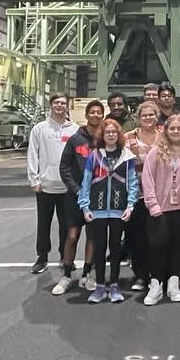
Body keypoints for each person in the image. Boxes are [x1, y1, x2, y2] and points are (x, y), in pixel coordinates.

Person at [140, 113, 180, 305]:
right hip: (160, 209)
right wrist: (152, 204)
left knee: (179, 246)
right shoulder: (156, 151)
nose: (176, 131)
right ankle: (156, 285)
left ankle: (173, 285)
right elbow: (147, 178)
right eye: (172, 128)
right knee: (157, 246)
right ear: (166, 130)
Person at [78, 118, 139, 304]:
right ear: (102, 135)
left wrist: (130, 205)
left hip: (119, 210)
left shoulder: (127, 156)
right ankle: (99, 286)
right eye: (107, 132)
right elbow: (86, 182)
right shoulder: (94, 156)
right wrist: (85, 206)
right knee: (99, 248)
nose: (111, 135)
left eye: (114, 132)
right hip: (96, 210)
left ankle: (114, 285)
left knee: (115, 248)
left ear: (118, 135)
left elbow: (133, 182)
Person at [52, 99, 105, 295]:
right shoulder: (75, 139)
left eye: (99, 112)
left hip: (96, 197)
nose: (96, 115)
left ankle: (87, 274)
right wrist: (76, 189)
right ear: (87, 114)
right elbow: (64, 167)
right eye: (92, 111)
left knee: (92, 236)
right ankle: (66, 275)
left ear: (103, 115)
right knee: (72, 236)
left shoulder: (105, 139)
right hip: (75, 196)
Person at [26, 94, 77, 274]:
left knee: (66, 224)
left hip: (67, 187)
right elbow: (33, 154)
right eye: (56, 102)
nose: (60, 106)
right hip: (45, 186)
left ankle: (65, 256)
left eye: (63, 103)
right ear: (51, 105)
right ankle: (42, 258)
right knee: (43, 224)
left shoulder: (75, 130)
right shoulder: (39, 129)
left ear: (67, 106)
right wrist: (34, 180)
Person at [124, 101, 162, 291]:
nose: (148, 118)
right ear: (138, 118)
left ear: (157, 116)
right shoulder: (128, 138)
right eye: (144, 115)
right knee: (137, 237)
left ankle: (158, 275)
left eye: (151, 114)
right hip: (136, 194)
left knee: (158, 238)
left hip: (159, 196)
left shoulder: (165, 137)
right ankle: (140, 275)